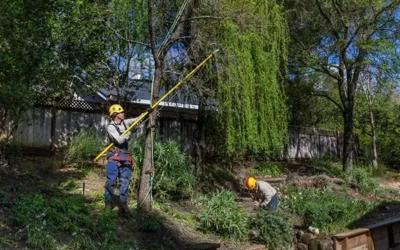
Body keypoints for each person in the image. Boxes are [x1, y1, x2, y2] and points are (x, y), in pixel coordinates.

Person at [105, 104, 138, 214]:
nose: (123, 113)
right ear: (115, 114)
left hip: (125, 156)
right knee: (111, 181)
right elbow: (119, 140)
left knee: (125, 181)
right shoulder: (111, 127)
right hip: (114, 156)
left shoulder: (125, 123)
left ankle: (123, 205)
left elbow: (135, 120)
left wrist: (145, 114)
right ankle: (108, 203)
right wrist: (129, 132)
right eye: (121, 112)